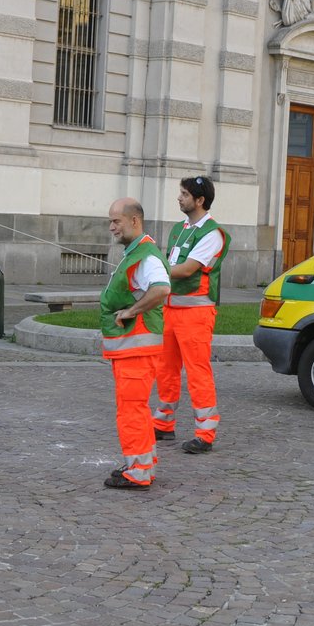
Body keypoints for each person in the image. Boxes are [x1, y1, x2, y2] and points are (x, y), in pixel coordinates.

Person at [153, 175, 230, 455]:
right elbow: (173, 263)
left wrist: (152, 269)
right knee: (166, 369)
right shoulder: (179, 228)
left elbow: (186, 270)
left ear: (200, 200)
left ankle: (205, 433)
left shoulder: (212, 234)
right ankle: (163, 424)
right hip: (171, 310)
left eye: (185, 194)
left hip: (196, 314)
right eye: (180, 193)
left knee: (198, 372)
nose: (179, 198)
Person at [100, 198, 171, 489]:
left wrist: (130, 312)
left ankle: (138, 471)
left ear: (134, 221)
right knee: (135, 408)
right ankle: (143, 463)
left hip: (136, 348)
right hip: (132, 348)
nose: (112, 227)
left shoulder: (146, 256)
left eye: (116, 221)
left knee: (131, 409)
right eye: (110, 221)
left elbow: (162, 289)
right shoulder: (136, 253)